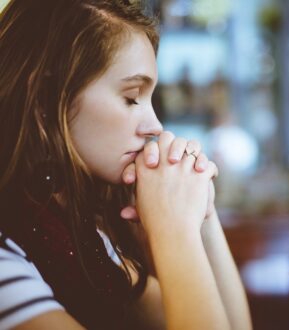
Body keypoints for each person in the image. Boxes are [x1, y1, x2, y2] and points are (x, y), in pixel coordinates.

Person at [0, 0, 252, 329]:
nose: (156, 126)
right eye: (132, 97)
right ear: (47, 100)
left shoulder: (82, 236)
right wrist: (173, 230)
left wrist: (201, 212)